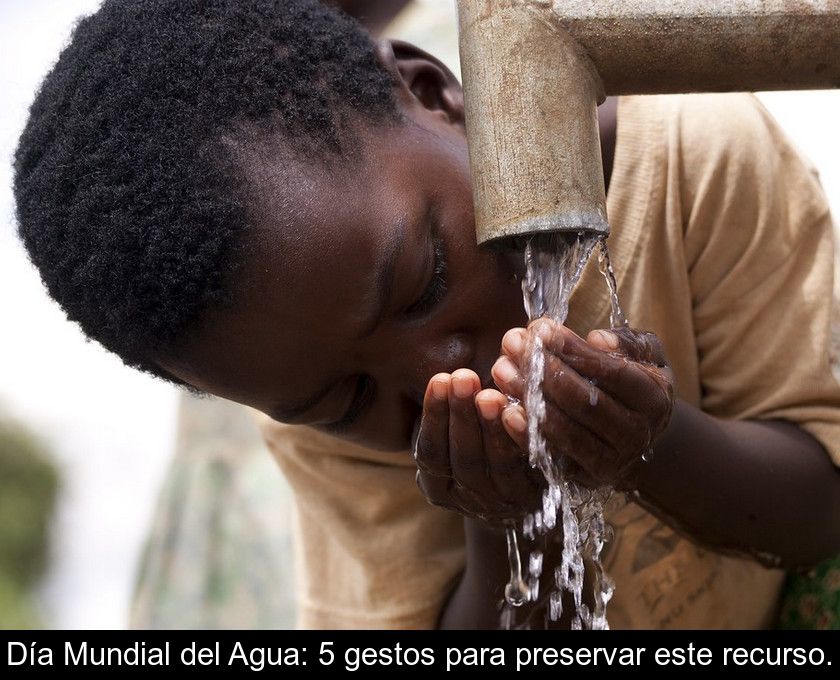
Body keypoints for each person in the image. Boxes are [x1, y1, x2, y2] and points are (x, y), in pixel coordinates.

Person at [13, 0, 840, 629]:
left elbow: (821, 510)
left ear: (435, 92)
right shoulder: (310, 420)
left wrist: (651, 442)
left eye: (425, 280)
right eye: (348, 402)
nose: (442, 376)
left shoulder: (688, 159)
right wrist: (509, 526)